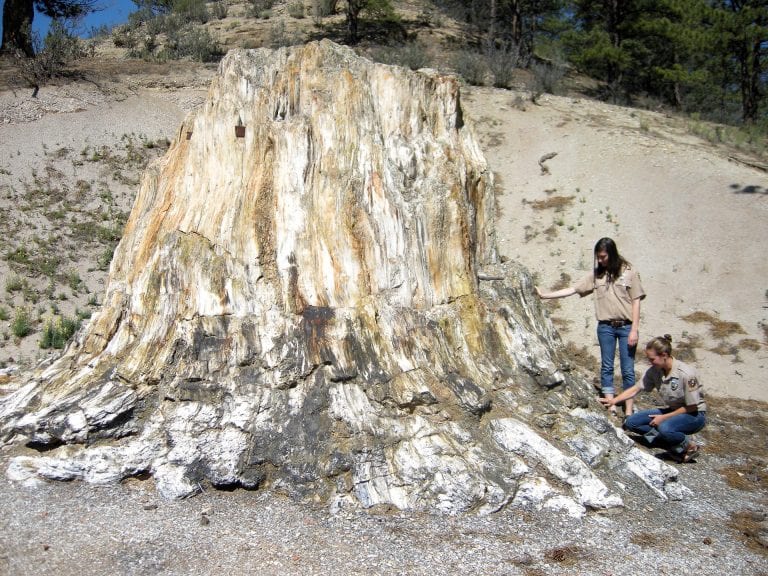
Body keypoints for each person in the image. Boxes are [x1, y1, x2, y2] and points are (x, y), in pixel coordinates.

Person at [536, 237, 645, 417]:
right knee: (607, 365)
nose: (600, 260)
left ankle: (628, 408)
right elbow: (573, 289)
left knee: (627, 369)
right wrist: (545, 296)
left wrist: (634, 329)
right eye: (598, 257)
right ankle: (610, 404)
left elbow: (636, 301)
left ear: (612, 254)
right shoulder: (597, 275)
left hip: (626, 327)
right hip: (605, 327)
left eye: (603, 257)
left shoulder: (629, 272)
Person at [599, 335, 706, 463]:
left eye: (652, 359)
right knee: (631, 422)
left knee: (664, 427)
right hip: (673, 411)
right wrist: (613, 401)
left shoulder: (686, 374)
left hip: (693, 415)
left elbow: (692, 406)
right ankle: (670, 442)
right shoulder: (655, 370)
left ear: (664, 355)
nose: (650, 362)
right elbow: (636, 388)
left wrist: (663, 418)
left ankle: (689, 446)